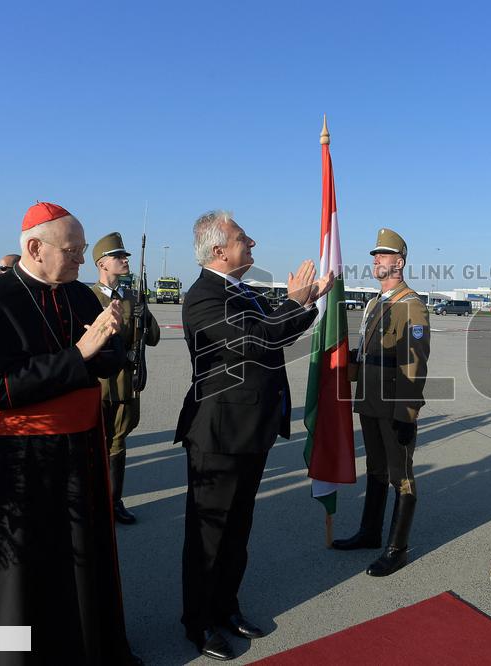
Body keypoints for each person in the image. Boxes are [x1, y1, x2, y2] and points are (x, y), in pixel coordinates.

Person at [0, 202, 141, 665]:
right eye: (73, 251)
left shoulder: (81, 295)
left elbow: (103, 362)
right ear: (34, 247)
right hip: (17, 459)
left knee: (76, 559)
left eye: (84, 251)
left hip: (80, 448)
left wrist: (110, 345)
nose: (81, 261)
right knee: (19, 569)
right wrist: (79, 355)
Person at [175, 210, 332, 661]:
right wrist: (298, 302)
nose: (254, 244)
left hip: (252, 430)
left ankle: (226, 607)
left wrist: (305, 303)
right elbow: (256, 340)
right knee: (208, 535)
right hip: (218, 433)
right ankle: (199, 622)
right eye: (245, 239)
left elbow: (275, 333)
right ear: (219, 251)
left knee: (237, 529)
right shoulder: (203, 296)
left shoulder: (243, 291)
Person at [332, 228, 430, 577]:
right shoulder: (375, 303)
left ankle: (396, 548)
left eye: (382, 255)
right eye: (374, 256)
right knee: (374, 467)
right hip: (369, 402)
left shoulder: (411, 306)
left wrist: (407, 412)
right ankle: (370, 533)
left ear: (399, 262)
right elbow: (369, 356)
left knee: (400, 476)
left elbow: (414, 362)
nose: (375, 260)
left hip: (393, 407)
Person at [90, 232, 160, 524]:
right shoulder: (87, 297)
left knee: (118, 442)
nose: (124, 260)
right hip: (97, 384)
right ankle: (92, 503)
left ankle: (113, 502)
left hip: (126, 383)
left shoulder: (132, 297)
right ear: (103, 263)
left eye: (125, 256)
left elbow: (153, 337)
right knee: (94, 443)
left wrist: (145, 317)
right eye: (118, 256)